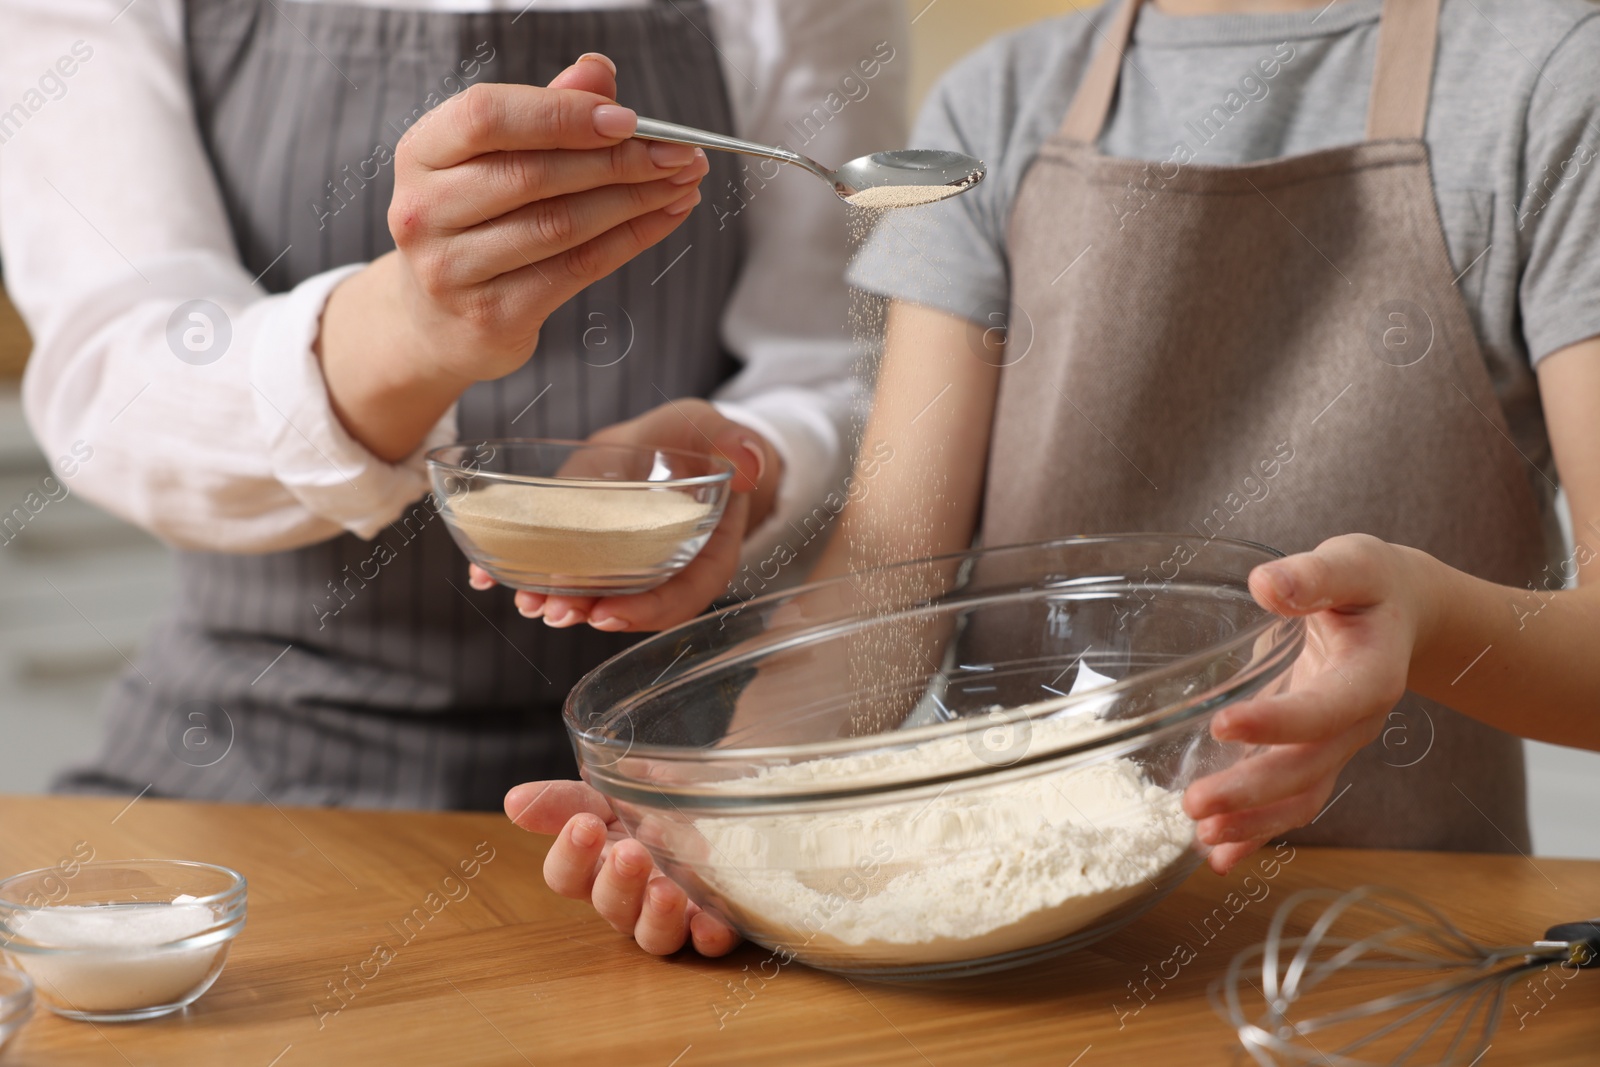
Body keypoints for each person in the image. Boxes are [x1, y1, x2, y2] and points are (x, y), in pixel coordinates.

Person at [514, 0, 1600, 959]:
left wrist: (1430, 619)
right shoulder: (995, 104)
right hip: (1033, 943)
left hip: (1388, 944)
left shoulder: (1555, 80)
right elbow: (888, 572)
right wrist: (738, 809)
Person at [1, 0, 906, 808]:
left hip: (686, 752)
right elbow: (116, 382)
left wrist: (750, 458)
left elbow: (848, 352)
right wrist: (410, 325)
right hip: (247, 746)